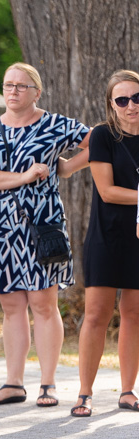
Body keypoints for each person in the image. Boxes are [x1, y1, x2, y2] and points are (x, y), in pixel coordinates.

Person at [0, 62, 89, 408]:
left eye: (22, 86)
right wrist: (21, 177)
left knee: (42, 303)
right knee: (11, 305)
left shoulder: (55, 124)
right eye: (9, 85)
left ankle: (48, 384)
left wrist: (68, 166)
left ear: (37, 91)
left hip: (42, 224)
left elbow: (101, 142)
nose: (14, 91)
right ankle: (13, 383)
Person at [72, 70, 139, 417]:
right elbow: (107, 191)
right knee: (96, 315)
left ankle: (128, 391)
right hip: (107, 236)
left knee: (134, 315)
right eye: (122, 100)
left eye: (137, 98)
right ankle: (84, 393)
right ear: (111, 105)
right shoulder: (102, 136)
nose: (131, 106)